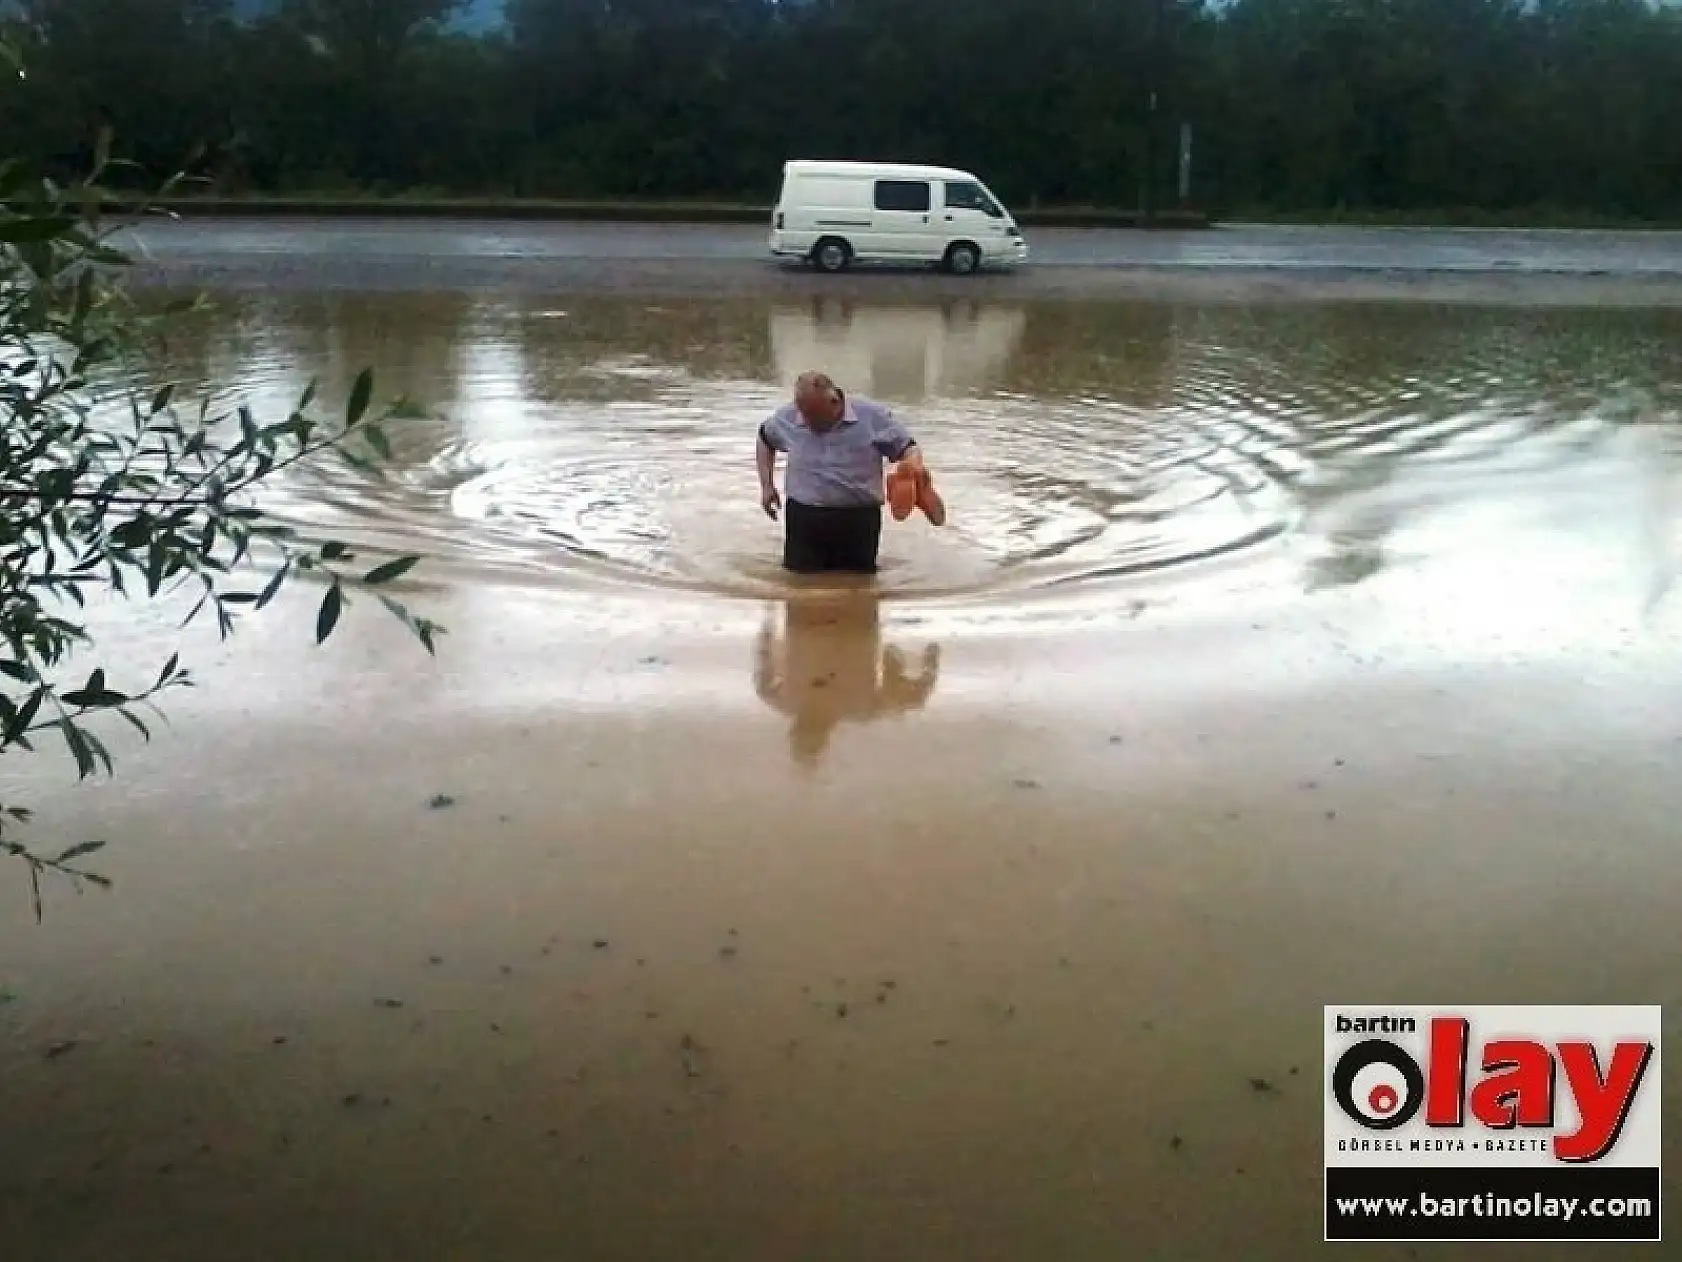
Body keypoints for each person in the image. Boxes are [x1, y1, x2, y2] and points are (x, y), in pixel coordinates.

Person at [755, 371, 926, 574]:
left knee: (859, 587)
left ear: (834, 401)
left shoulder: (872, 416)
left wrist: (913, 469)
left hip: (858, 519)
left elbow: (908, 447)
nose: (807, 422)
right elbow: (765, 439)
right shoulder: (789, 416)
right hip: (805, 517)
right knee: (799, 585)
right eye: (804, 415)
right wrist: (767, 486)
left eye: (814, 416)